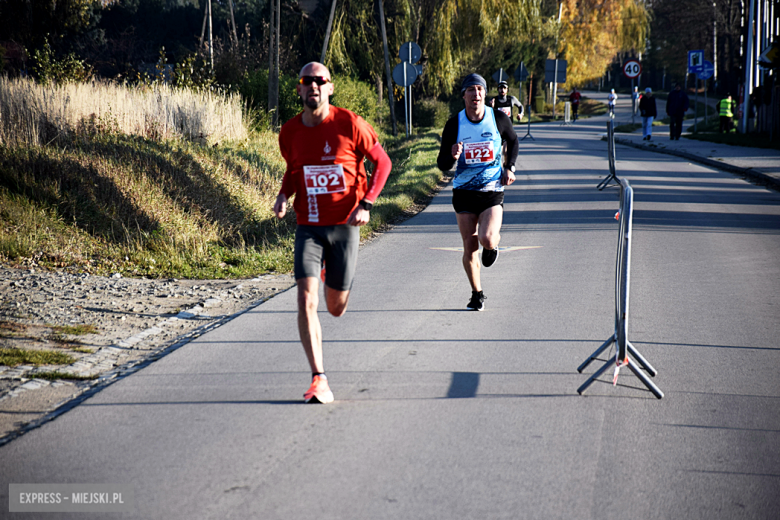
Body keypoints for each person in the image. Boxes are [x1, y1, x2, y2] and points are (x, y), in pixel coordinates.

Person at [274, 61, 392, 404]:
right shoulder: (290, 132)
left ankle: (330, 274)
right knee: (305, 300)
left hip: (345, 224)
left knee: (336, 307)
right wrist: (284, 195)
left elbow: (382, 163)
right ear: (298, 89)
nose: (313, 86)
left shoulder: (350, 124)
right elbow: (294, 171)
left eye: (320, 81)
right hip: (308, 226)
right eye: (306, 81)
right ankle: (318, 378)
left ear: (330, 87)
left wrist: (367, 204)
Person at [437, 73, 519, 311]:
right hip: (463, 191)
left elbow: (513, 141)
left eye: (480, 89)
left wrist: (510, 167)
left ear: (485, 94)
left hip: (491, 189)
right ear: (464, 95)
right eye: (471, 90)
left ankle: (493, 247)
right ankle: (477, 294)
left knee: (487, 238)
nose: (476, 94)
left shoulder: (498, 119)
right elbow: (442, 163)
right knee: (469, 246)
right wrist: (451, 155)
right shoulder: (455, 124)